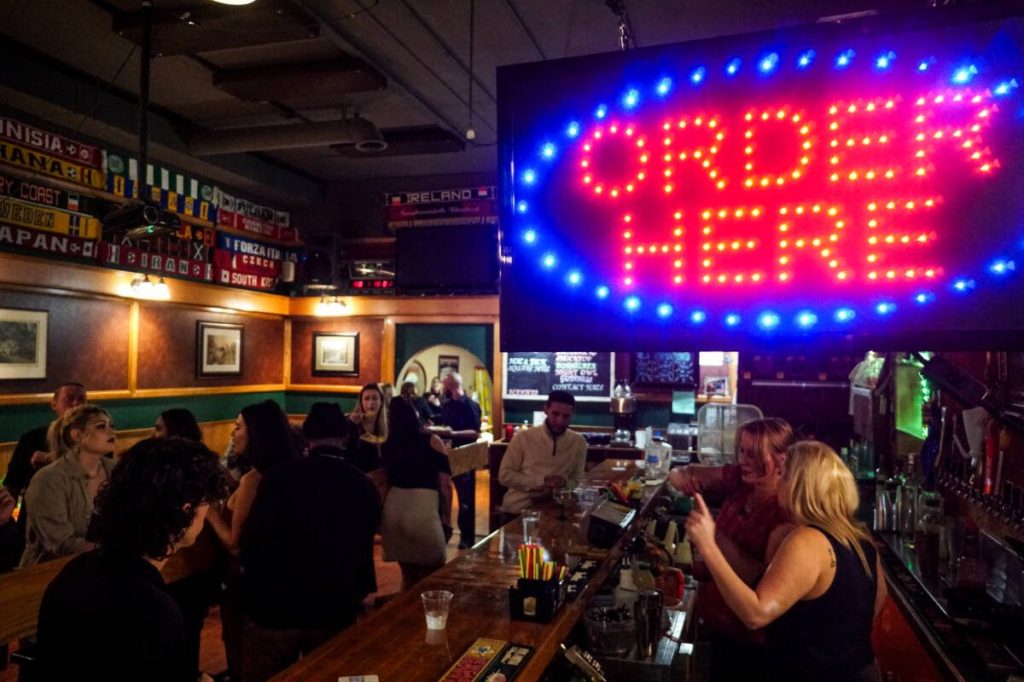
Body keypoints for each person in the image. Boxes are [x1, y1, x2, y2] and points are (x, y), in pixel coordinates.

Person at [685, 441, 886, 682]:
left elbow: (755, 614)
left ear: (799, 484)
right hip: (860, 670)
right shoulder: (860, 539)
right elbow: (876, 603)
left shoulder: (808, 540)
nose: (778, 482)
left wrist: (708, 545)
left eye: (783, 474)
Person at [35, 437, 228, 682]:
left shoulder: (77, 570)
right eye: (208, 502)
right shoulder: (153, 610)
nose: (209, 510)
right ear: (186, 511)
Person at [238, 402, 381, 681]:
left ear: (306, 437)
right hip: (334, 610)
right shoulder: (363, 485)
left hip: (275, 609)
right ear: (345, 438)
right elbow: (363, 549)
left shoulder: (279, 477)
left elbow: (252, 541)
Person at [668, 417, 796, 680]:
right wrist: (683, 478)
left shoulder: (785, 512)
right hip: (719, 626)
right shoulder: (742, 481)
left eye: (754, 454)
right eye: (742, 451)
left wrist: (713, 535)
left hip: (752, 644)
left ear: (781, 459)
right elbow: (679, 474)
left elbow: (759, 579)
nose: (744, 461)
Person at [205, 399, 298, 680]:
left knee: (244, 659)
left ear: (256, 433)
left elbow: (235, 544)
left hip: (246, 587)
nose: (233, 434)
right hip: (285, 586)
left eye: (238, 427)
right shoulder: (289, 470)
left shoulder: (254, 480)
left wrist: (209, 512)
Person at [20, 404, 117, 567]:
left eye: (111, 426)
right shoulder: (49, 479)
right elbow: (62, 544)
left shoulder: (116, 470)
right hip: (50, 571)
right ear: (77, 436)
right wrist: (115, 550)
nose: (112, 431)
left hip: (105, 565)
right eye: (101, 426)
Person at [3, 382, 87, 561]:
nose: (76, 404)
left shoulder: (94, 440)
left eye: (81, 399)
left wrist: (52, 459)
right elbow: (12, 485)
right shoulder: (31, 439)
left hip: (79, 522)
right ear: (54, 404)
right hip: (35, 522)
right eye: (70, 398)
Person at [381, 397, 453, 588]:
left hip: (395, 507)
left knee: (408, 576)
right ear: (415, 414)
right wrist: (447, 520)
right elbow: (445, 485)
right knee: (432, 577)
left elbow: (385, 483)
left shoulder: (387, 446)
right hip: (424, 508)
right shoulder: (432, 441)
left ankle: (404, 606)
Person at [498, 390, 587, 514]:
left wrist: (557, 489)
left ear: (572, 414)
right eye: (555, 414)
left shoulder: (578, 442)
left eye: (566, 416)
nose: (560, 420)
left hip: (556, 510)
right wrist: (543, 481)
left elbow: (576, 479)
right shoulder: (523, 437)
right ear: (546, 410)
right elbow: (504, 476)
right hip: (519, 509)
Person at [438, 372, 482, 548]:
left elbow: (475, 432)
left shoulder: (471, 406)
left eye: (445, 385)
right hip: (447, 454)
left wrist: (452, 433)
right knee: (442, 495)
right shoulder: (447, 405)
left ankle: (467, 537)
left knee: (465, 500)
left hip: (465, 455)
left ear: (451, 386)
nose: (443, 388)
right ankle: (443, 532)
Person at [345, 383, 387, 473]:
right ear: (361, 402)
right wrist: (352, 425)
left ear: (381, 402)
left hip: (380, 476)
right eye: (366, 399)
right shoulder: (352, 422)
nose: (371, 403)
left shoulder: (388, 425)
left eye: (375, 398)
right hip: (357, 474)